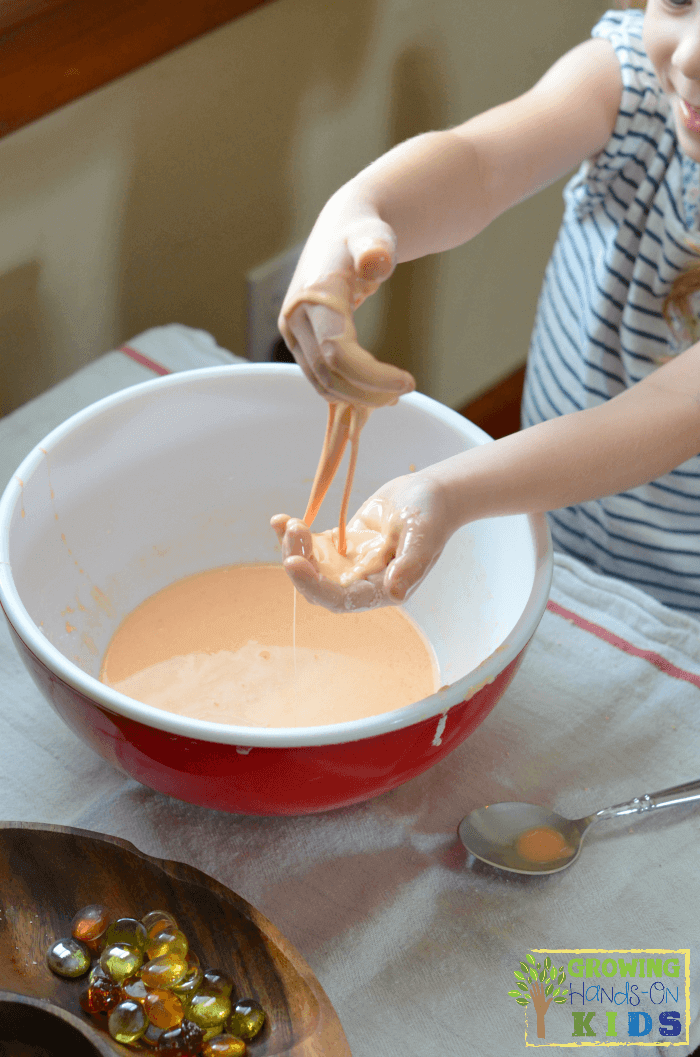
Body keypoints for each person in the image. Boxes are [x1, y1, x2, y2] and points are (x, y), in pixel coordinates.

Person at [273, 2, 700, 616]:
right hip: (554, 512)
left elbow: (669, 410)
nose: (688, 56)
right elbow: (478, 165)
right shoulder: (632, 81)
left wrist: (447, 490)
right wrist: (361, 208)